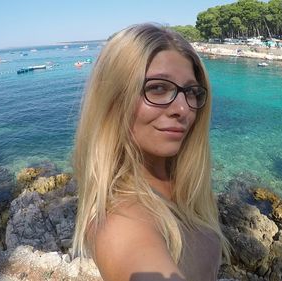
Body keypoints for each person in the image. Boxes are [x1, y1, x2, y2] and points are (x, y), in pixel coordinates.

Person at [72, 23, 230, 281]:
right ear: (113, 99)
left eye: (191, 91)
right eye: (157, 88)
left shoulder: (185, 185)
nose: (183, 109)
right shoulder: (120, 221)